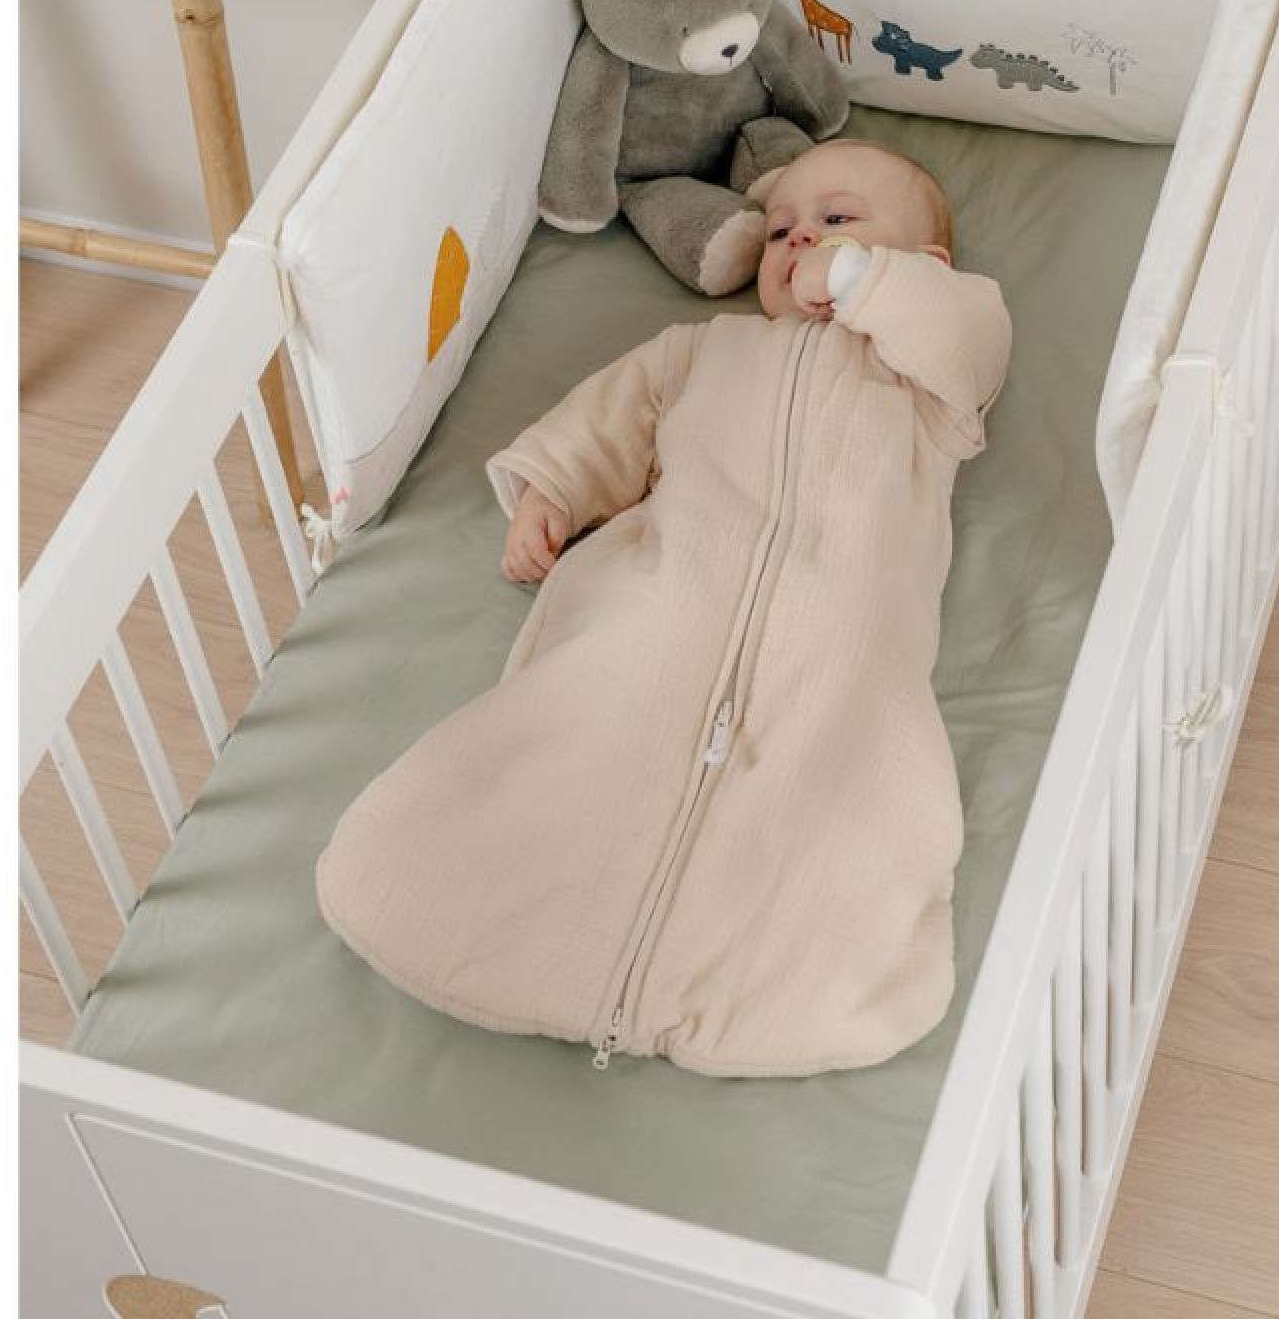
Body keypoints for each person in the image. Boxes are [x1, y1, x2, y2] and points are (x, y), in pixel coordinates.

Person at [317, 138, 1014, 1077]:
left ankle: (766, 979)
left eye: (837, 220)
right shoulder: (702, 350)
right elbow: (614, 416)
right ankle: (500, 910)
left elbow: (966, 333)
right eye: (781, 230)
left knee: (836, 793)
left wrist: (860, 283)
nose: (799, 239)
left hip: (840, 645)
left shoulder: (929, 389)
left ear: (925, 264)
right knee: (590, 718)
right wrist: (553, 491)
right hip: (669, 591)